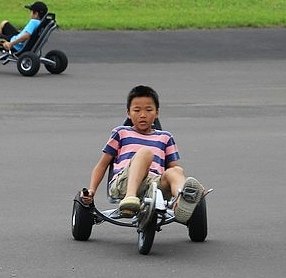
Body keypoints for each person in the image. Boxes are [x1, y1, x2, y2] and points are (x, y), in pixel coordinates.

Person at [80, 85, 204, 223]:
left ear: (157, 113)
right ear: (128, 113)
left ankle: (183, 200)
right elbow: (102, 166)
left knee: (176, 170)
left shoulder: (165, 137)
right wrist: (91, 191)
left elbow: (173, 169)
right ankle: (130, 198)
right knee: (145, 153)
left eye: (149, 110)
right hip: (126, 183)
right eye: (137, 110)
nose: (143, 115)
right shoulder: (121, 133)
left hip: (155, 186)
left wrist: (181, 183)